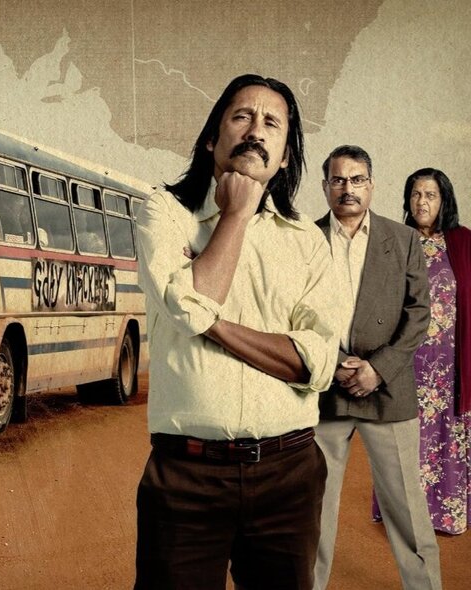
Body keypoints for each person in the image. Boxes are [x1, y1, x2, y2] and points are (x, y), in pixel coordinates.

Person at [135, 74, 340, 590]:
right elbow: (191, 308)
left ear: (286, 156)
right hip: (187, 478)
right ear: (212, 137)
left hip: (289, 475)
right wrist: (237, 213)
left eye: (273, 123)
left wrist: (213, 325)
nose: (256, 131)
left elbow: (315, 364)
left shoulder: (308, 241)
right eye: (242, 116)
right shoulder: (164, 212)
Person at [313, 147, 441, 589]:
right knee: (312, 510)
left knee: (408, 512)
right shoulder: (305, 239)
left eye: (357, 179)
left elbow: (418, 314)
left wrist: (378, 369)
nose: (347, 188)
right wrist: (333, 365)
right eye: (338, 180)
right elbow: (289, 313)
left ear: (372, 185)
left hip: (388, 391)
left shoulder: (402, 239)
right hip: (323, 391)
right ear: (325, 186)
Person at [372, 168, 471, 535]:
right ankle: (403, 516)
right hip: (408, 360)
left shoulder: (463, 242)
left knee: (448, 434)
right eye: (415, 194)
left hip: (452, 365)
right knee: (407, 437)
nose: (422, 202)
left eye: (430, 195)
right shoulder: (397, 241)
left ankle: (446, 514)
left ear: (444, 200)